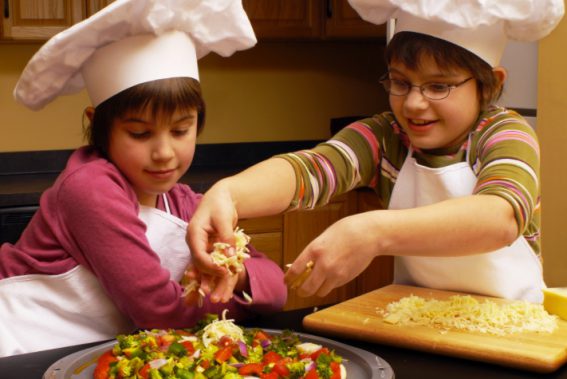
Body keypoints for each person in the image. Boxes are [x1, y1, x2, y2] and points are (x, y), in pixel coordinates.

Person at [187, 0, 564, 306]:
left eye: (438, 86)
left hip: (513, 329)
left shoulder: (505, 133)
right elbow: (311, 170)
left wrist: (371, 232)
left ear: (489, 85)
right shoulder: (387, 138)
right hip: (417, 323)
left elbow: (497, 219)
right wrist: (228, 194)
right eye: (401, 82)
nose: (415, 103)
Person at [0, 0, 286, 357]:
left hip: (90, 354)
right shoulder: (90, 187)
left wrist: (238, 276)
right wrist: (241, 302)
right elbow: (158, 311)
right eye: (139, 133)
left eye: (181, 130)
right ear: (98, 124)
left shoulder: (184, 203)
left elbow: (276, 285)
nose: (164, 152)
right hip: (20, 349)